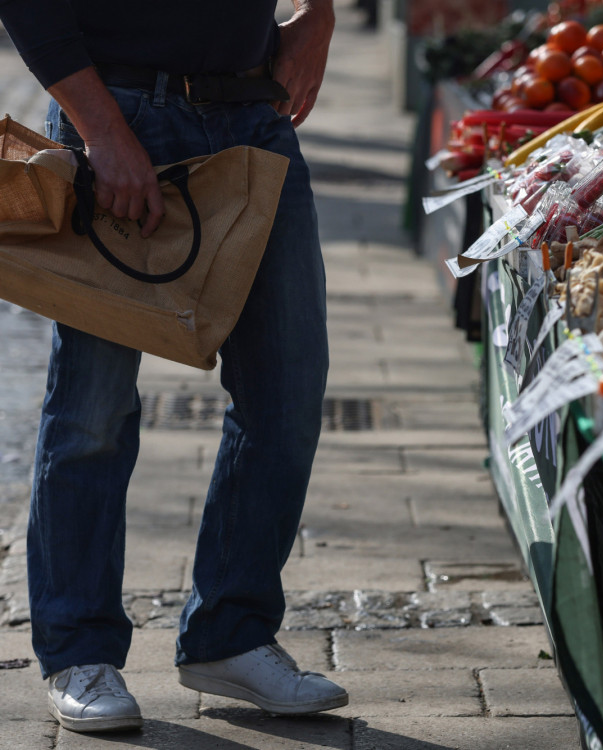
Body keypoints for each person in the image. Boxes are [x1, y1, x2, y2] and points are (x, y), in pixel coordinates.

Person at [0, 0, 345, 733]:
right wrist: (102, 131)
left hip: (254, 115)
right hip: (120, 113)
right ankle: (78, 651)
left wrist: (320, 13)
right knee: (93, 410)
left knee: (287, 396)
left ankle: (231, 635)